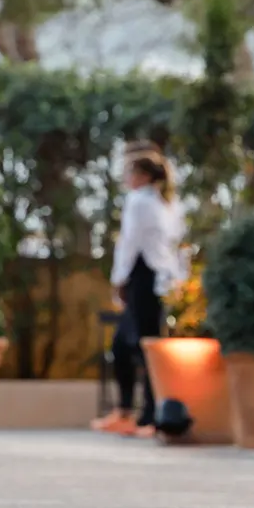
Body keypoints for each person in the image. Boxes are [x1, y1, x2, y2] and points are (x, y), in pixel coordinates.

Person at [92, 146, 185, 438]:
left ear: (142, 175)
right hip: (157, 280)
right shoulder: (164, 203)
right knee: (130, 345)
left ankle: (146, 416)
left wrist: (119, 279)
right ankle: (132, 413)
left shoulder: (139, 202)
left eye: (129, 172)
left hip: (143, 278)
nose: (126, 178)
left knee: (140, 348)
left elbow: (129, 244)